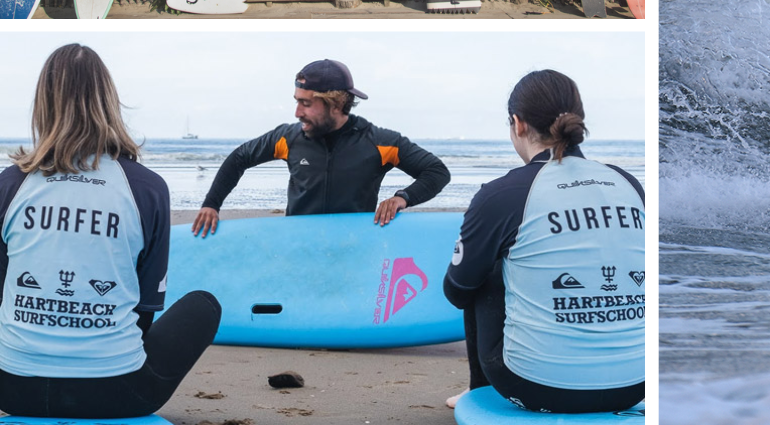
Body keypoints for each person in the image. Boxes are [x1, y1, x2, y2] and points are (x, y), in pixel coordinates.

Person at [0, 44, 221, 418]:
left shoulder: (10, 185)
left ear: (43, 105)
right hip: (118, 394)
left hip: (11, 390)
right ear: (108, 102)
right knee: (204, 305)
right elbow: (145, 309)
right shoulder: (147, 189)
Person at [444, 70, 644, 414]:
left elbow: (458, 291)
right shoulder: (629, 183)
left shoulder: (501, 195)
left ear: (518, 124)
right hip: (637, 384)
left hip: (536, 386)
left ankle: (481, 392)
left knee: (486, 263)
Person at [191, 59, 450, 236]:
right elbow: (239, 158)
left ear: (335, 104)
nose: (297, 112)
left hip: (355, 247)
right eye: (297, 101)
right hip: (299, 246)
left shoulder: (380, 142)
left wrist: (402, 197)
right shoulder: (288, 138)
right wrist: (211, 204)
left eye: (306, 104)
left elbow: (436, 171)